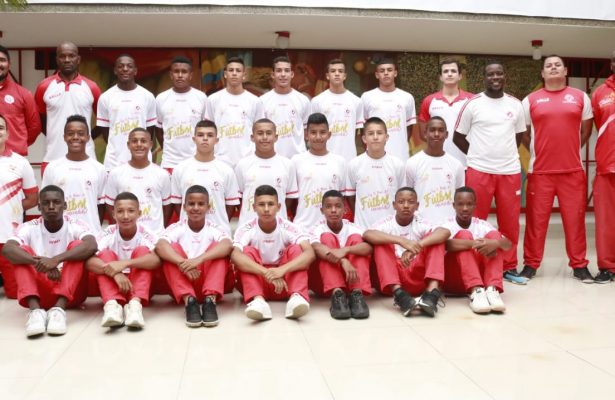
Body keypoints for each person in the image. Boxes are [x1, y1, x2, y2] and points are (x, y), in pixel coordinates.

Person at [519, 55, 594, 282]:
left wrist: (570, 150)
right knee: (535, 222)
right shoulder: (530, 100)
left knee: (575, 222)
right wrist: (538, 150)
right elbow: (524, 133)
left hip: (572, 171)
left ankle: (579, 265)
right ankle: (531, 265)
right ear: (542, 73)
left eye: (557, 65)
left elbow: (586, 131)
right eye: (548, 66)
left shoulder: (580, 97)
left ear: (565, 71)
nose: (553, 68)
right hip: (540, 172)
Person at [453, 61, 527, 285]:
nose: (495, 77)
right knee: (475, 220)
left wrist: (503, 156)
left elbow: (518, 136)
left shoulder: (515, 104)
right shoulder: (473, 104)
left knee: (510, 222)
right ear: (484, 78)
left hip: (509, 171)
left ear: (505, 76)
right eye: (490, 74)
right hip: (479, 171)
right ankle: (476, 262)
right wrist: (477, 155)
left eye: (499, 73)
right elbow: (457, 137)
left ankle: (509, 266)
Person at [2, 185, 97, 337]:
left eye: (56, 202)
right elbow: (8, 249)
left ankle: (59, 310)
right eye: (46, 203)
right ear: (39, 207)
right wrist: (39, 264)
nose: (51, 206)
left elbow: (92, 245)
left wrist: (56, 260)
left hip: (71, 294)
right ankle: (35, 312)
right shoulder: (28, 227)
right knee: (21, 251)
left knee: (78, 246)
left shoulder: (76, 224)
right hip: (41, 294)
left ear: (65, 205)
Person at [231, 184, 314, 321]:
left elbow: (310, 253)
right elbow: (235, 255)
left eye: (270, 204)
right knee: (246, 251)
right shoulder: (245, 229)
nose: (266, 209)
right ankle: (258, 301)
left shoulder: (289, 227)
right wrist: (267, 273)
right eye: (261, 204)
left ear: (278, 207)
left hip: (284, 283)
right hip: (259, 281)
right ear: (254, 207)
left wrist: (282, 270)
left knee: (296, 249)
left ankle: (296, 298)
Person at [363, 187, 450, 317]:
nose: (406, 206)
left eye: (410, 202)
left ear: (417, 205)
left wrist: (416, 247)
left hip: (416, 278)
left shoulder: (421, 222)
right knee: (381, 243)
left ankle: (431, 295)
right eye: (401, 202)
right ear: (394, 205)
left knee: (436, 240)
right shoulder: (386, 223)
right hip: (391, 281)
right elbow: (367, 234)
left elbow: (444, 232)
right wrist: (401, 241)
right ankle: (400, 296)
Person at [155, 185, 233, 328]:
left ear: (208, 207)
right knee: (171, 250)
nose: (196, 208)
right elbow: (160, 246)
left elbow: (227, 245)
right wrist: (183, 263)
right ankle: (189, 302)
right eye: (191, 204)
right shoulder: (177, 227)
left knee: (219, 250)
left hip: (209, 280)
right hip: (184, 280)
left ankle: (210, 301)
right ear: (184, 207)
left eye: (201, 204)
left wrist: (198, 260)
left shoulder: (214, 227)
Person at [86, 192, 161, 329]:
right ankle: (112, 306)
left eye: (131, 211)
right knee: (105, 254)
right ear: (113, 214)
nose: (125, 216)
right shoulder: (108, 233)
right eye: (120, 211)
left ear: (139, 213)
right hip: (113, 284)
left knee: (143, 251)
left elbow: (156, 260)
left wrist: (125, 263)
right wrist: (116, 273)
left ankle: (135, 306)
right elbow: (89, 261)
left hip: (140, 286)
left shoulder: (147, 233)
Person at [443, 187, 511, 314]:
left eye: (469, 204)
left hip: (480, 278)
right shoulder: (446, 224)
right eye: (460, 204)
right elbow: (445, 245)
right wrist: (475, 244)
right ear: (454, 206)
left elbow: (507, 244)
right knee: (464, 235)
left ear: (475, 205)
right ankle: (476, 292)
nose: (465, 208)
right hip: (453, 280)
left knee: (494, 237)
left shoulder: (482, 224)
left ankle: (492, 290)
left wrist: (495, 243)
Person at [35, 42, 101, 172]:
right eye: (62, 56)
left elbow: (103, 120)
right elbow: (39, 119)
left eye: (71, 56)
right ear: (57, 60)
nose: (67, 60)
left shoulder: (91, 87)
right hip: (53, 157)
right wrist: (55, 136)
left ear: (78, 59)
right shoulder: (44, 86)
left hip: (86, 157)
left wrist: (86, 137)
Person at [309, 190, 372, 320]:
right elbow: (317, 248)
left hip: (351, 279)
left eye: (338, 206)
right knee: (326, 239)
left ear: (344, 209)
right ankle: (337, 295)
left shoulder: (353, 227)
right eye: (328, 207)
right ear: (322, 210)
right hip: (325, 284)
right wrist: (343, 260)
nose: (333, 210)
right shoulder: (317, 229)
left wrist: (347, 250)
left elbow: (368, 248)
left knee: (356, 240)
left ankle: (356, 294)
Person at [171, 120, 240, 234]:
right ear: (194, 139)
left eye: (210, 135)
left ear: (216, 140)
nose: (205, 138)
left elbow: (231, 205)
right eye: (200, 135)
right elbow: (177, 203)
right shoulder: (180, 169)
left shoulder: (226, 170)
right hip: (188, 233)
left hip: (219, 233)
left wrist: (219, 226)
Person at [42, 115, 106, 234]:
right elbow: (46, 204)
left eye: (81, 133)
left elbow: (101, 206)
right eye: (70, 134)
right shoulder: (52, 168)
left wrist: (96, 232)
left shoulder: (99, 169)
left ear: (88, 137)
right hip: (61, 234)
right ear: (64, 137)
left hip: (91, 235)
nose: (75, 137)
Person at [104, 127, 172, 234]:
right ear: (128, 145)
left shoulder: (162, 174)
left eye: (143, 141)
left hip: (155, 236)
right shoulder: (116, 173)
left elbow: (167, 207)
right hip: (126, 236)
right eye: (134, 141)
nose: (139, 144)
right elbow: (109, 205)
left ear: (150, 144)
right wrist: (122, 228)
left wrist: (158, 231)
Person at [95, 54, 156, 171]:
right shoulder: (106, 97)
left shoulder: (147, 96)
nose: (125, 69)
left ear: (135, 71)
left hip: (142, 161)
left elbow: (150, 130)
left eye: (129, 66)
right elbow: (105, 131)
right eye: (120, 66)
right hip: (114, 162)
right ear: (115, 70)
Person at [0, 113, 38, 298]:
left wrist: (11, 208)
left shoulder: (20, 162)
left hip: (9, 239)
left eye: (1, 128)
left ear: (7, 133)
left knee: (15, 294)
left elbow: (33, 198)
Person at [234, 118, 298, 226]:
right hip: (248, 227)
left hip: (278, 228)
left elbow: (289, 198)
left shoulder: (287, 164)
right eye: (260, 133)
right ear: (252, 137)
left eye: (268, 133)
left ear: (276, 137)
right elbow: (238, 198)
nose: (264, 137)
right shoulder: (242, 164)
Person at [345, 117, 405, 229]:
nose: (375, 137)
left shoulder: (397, 164)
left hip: (391, 231)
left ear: (386, 137)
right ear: (364, 138)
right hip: (363, 230)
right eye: (371, 133)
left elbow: (402, 197)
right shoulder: (354, 164)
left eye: (380, 133)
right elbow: (350, 197)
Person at [290, 112, 346, 229]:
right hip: (303, 227)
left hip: (331, 228)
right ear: (306, 135)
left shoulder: (340, 161)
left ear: (329, 134)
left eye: (322, 132)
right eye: (313, 132)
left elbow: (342, 198)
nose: (318, 137)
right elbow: (291, 198)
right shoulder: (296, 161)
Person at [205, 56, 264, 167]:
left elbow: (260, 131)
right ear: (225, 74)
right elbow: (208, 130)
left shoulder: (255, 101)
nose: (234, 73)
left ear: (244, 75)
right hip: (220, 160)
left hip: (247, 160)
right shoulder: (213, 100)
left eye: (238, 70)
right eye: (231, 70)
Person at [406, 116, 464, 225]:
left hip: (449, 227)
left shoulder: (457, 165)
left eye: (441, 130)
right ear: (425, 133)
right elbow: (407, 197)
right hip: (421, 226)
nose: (436, 134)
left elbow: (460, 199)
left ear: (446, 134)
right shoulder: (412, 163)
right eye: (432, 130)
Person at [418, 57, 473, 167]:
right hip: (437, 162)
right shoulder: (429, 100)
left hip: (467, 163)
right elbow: (424, 134)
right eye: (446, 71)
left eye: (453, 71)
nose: (449, 74)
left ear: (460, 76)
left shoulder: (472, 100)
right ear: (440, 77)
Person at [155, 56, 206, 172]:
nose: (180, 75)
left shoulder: (201, 98)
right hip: (169, 162)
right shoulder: (161, 99)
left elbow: (206, 129)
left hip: (195, 161)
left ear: (191, 75)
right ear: (171, 75)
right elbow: (158, 129)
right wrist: (167, 149)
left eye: (184, 72)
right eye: (176, 71)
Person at [361, 58, 416, 161]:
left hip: (400, 155)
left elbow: (409, 128)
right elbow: (363, 128)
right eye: (382, 71)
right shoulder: (367, 97)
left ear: (395, 73)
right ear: (377, 75)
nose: (386, 73)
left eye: (389, 70)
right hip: (374, 156)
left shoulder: (407, 97)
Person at [592, 50, 615, 283]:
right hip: (607, 167)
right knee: (607, 222)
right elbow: (600, 126)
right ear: (612, 64)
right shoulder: (600, 93)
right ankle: (608, 267)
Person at [310, 59, 363, 161]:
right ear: (327, 76)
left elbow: (357, 134)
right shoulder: (317, 101)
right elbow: (313, 132)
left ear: (345, 76)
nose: (337, 74)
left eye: (340, 71)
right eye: (333, 71)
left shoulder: (356, 101)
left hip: (349, 158)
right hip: (324, 158)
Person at [260, 56, 310, 158]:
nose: (283, 74)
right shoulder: (262, 101)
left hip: (297, 158)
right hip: (271, 158)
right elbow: (259, 131)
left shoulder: (303, 100)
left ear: (292, 74)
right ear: (273, 75)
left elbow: (307, 132)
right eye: (279, 71)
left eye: (286, 71)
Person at [0, 45, 41, 157]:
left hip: (14, 158)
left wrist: (20, 144)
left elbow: (35, 127)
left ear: (9, 64)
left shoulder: (23, 94)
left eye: (2, 60)